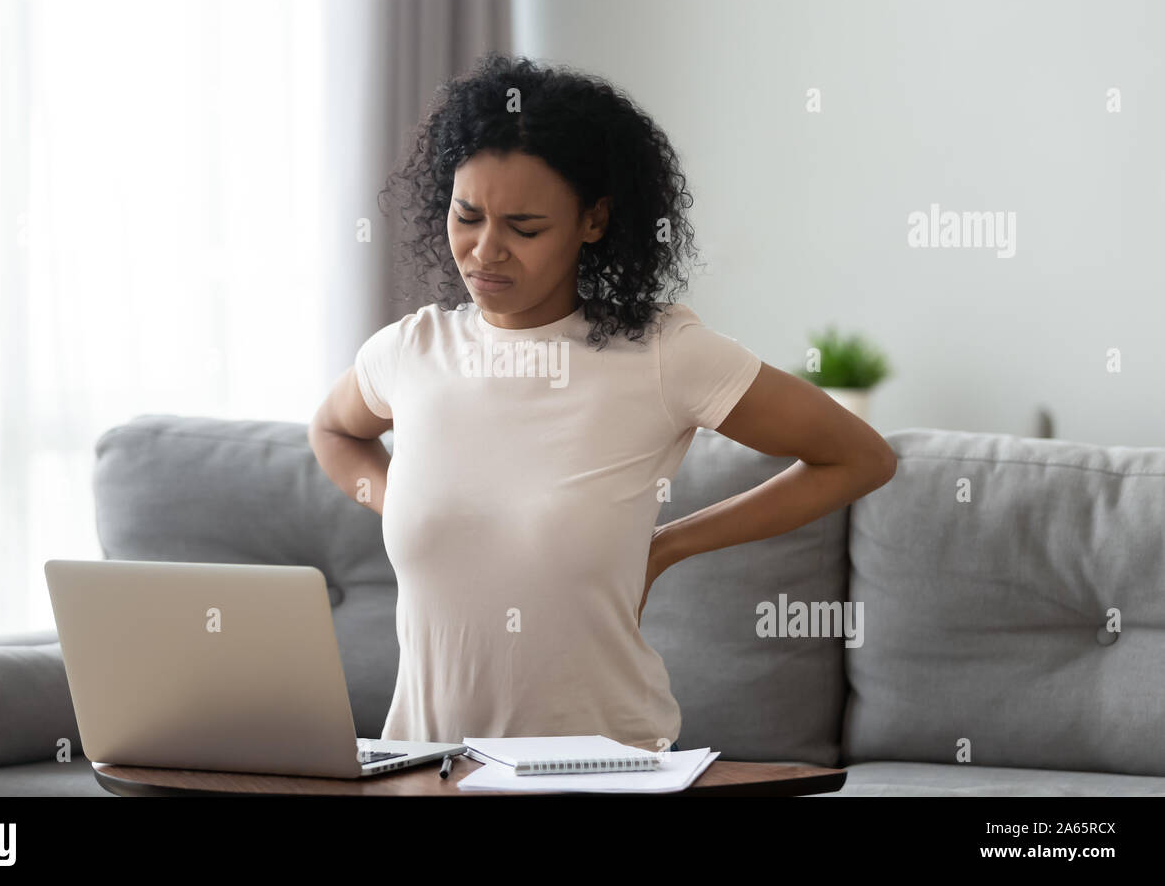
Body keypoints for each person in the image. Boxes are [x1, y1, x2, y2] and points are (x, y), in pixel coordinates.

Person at [309, 52, 896, 756]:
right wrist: (393, 496)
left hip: (602, 769)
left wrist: (670, 546)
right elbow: (334, 430)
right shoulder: (410, 351)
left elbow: (860, 457)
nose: (484, 252)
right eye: (467, 217)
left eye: (524, 228)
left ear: (593, 221)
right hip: (425, 768)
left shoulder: (661, 354)